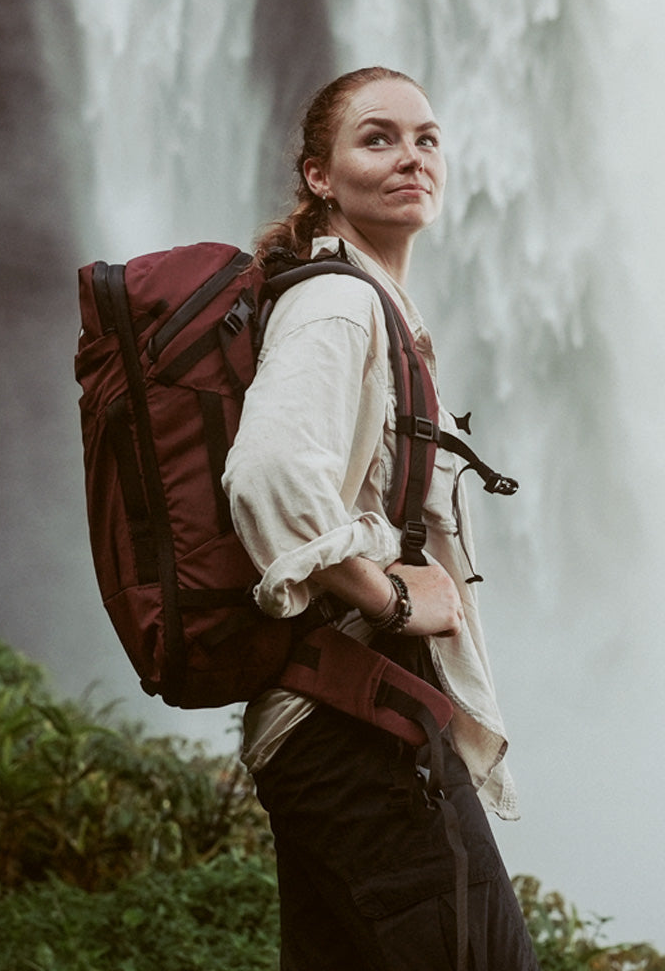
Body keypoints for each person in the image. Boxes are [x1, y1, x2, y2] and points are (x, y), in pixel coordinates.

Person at [222, 67, 540, 970]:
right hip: (357, 728)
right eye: (378, 137)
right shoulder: (337, 303)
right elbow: (269, 476)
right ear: (319, 175)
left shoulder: (369, 304)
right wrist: (391, 596)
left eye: (426, 138)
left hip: (338, 725)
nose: (411, 156)